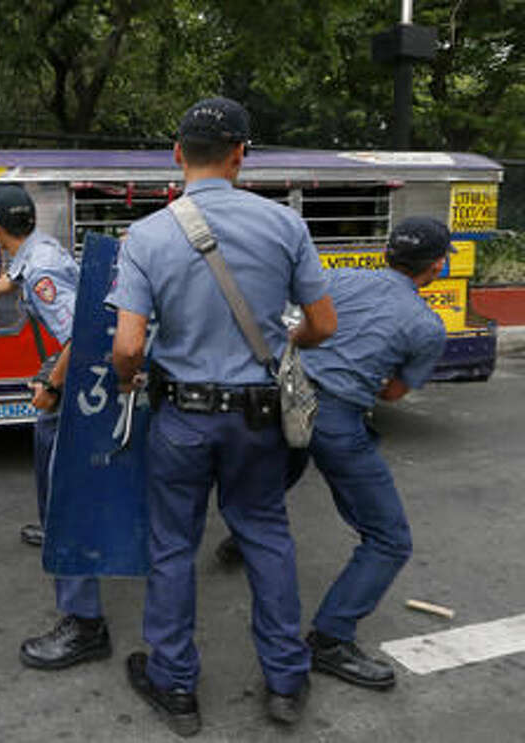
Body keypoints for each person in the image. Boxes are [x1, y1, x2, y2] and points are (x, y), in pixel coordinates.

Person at [107, 97, 337, 736]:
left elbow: (127, 346)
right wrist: (283, 349)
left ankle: (175, 683)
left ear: (176, 154)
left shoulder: (148, 235)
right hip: (260, 417)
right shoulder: (284, 226)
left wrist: (131, 381)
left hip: (181, 418)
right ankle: (286, 682)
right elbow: (322, 324)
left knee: (173, 545)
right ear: (241, 154)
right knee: (265, 534)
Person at [215, 216, 450, 691]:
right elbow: (391, 395)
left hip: (285, 393)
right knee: (389, 539)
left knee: (289, 456)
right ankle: (331, 638)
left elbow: (298, 324)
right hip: (338, 419)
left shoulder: (338, 278)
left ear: (387, 252)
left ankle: (242, 538)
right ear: (438, 265)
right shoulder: (426, 326)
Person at [0, 185, 110, 670]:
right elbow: (16, 276)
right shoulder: (38, 249)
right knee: (45, 437)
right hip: (74, 368)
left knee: (67, 478)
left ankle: (85, 622)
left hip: (80, 370)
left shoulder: (44, 268)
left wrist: (51, 386)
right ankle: (54, 526)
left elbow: (83, 334)